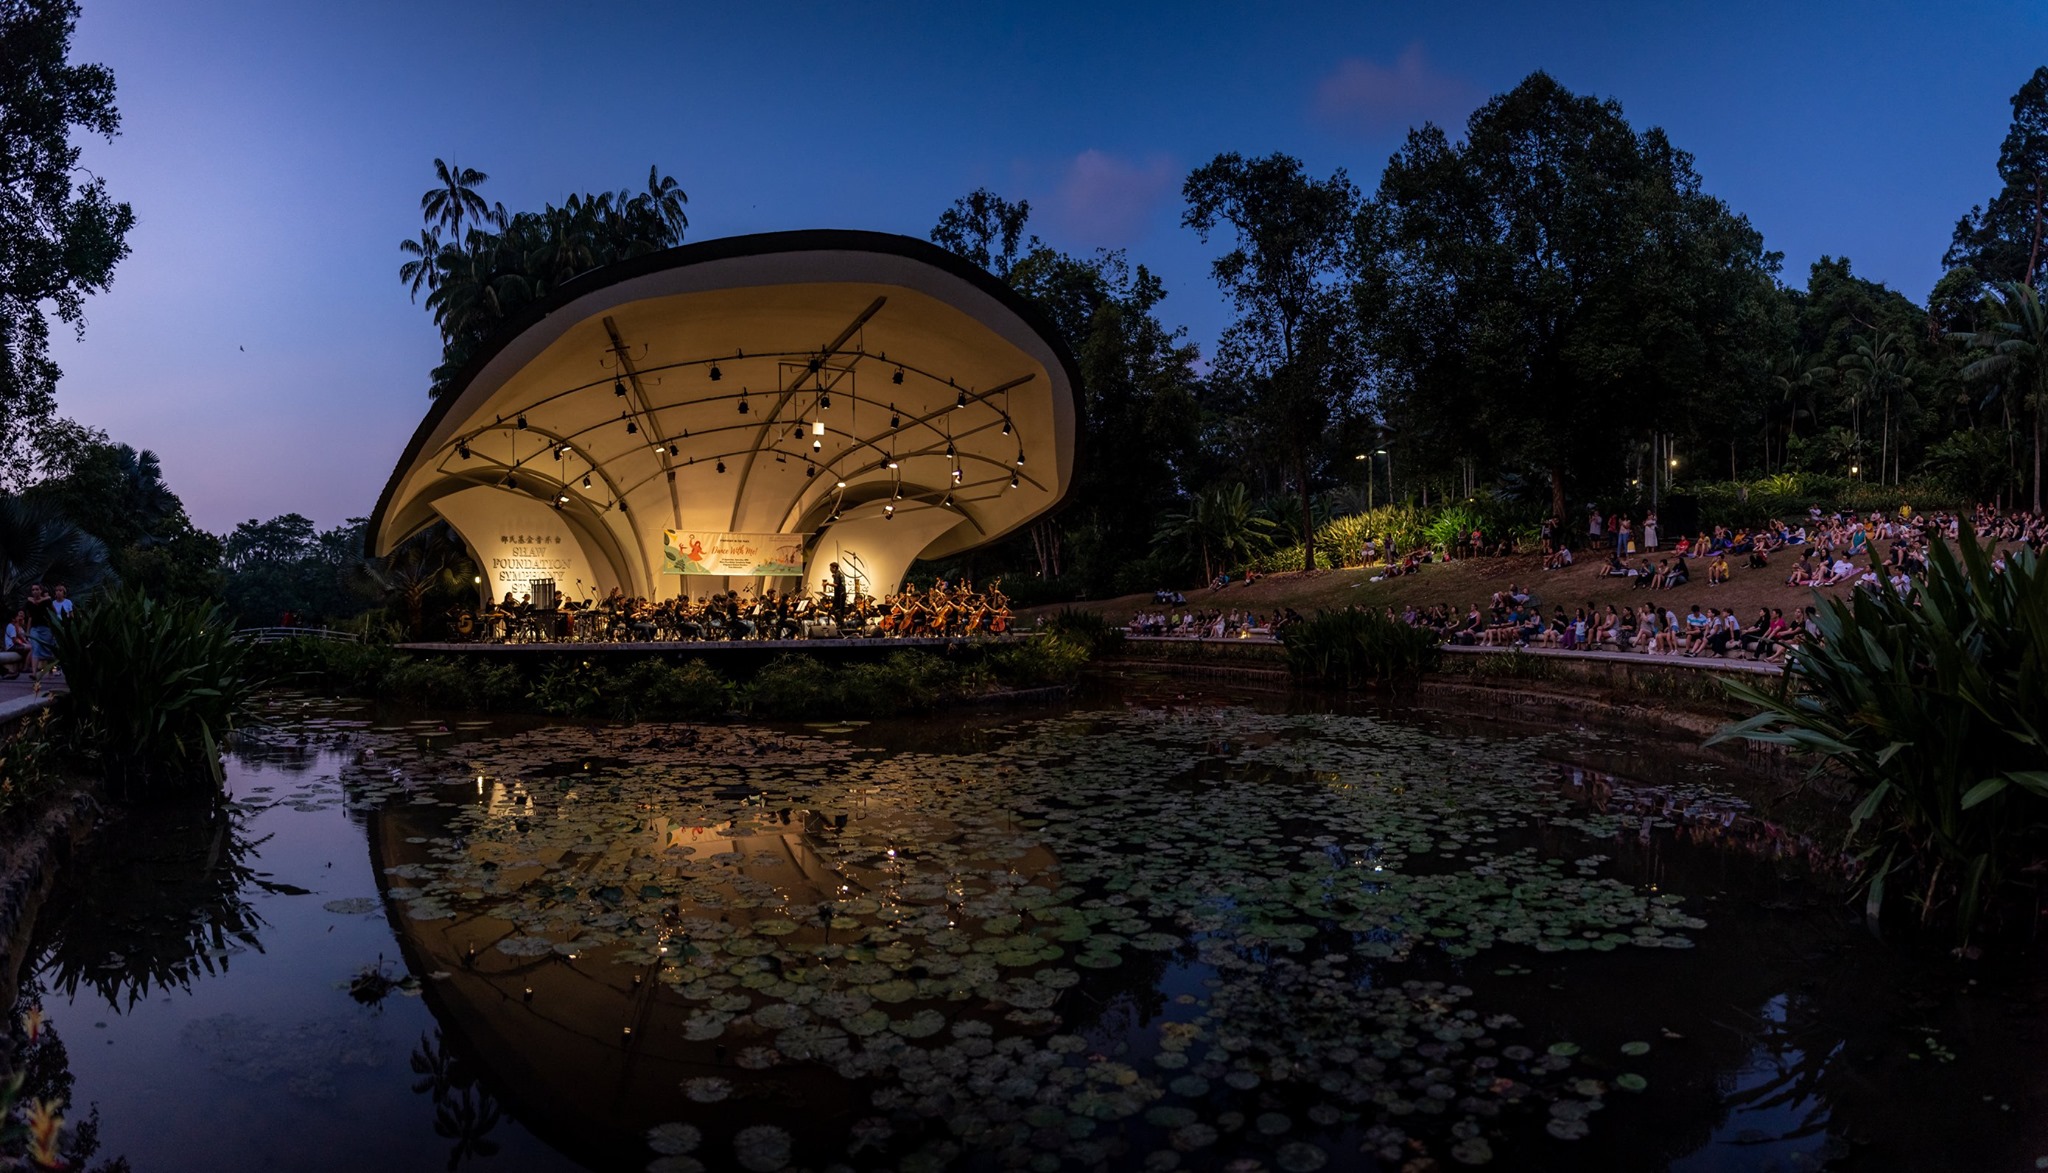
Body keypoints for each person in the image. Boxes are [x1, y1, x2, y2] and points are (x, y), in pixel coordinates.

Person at [23, 585, 56, 678]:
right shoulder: (29, 603)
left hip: (46, 628)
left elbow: (54, 612)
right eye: (33, 590)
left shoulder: (47, 601)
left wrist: (54, 627)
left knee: (48, 648)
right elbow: (30, 617)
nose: (35, 591)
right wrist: (28, 631)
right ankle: (34, 673)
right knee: (35, 647)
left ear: (41, 590)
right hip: (35, 628)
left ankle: (51, 670)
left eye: (37, 589)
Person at [2, 609, 27, 679]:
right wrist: (23, 644)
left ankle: (8, 673)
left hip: (12, 646)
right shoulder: (11, 627)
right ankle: (24, 668)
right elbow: (14, 640)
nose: (18, 617)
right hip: (11, 646)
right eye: (17, 616)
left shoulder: (12, 626)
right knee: (29, 648)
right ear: (13, 619)